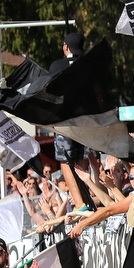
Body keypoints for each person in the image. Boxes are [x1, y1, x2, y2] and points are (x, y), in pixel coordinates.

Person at [49, 32, 91, 211]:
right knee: (83, 158)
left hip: (64, 120)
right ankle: (87, 197)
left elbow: (50, 91)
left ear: (66, 47)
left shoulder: (57, 65)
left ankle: (79, 203)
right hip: (87, 119)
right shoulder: (90, 64)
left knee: (65, 161)